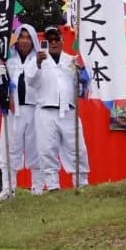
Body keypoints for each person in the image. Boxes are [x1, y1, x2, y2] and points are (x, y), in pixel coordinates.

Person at [32, 25, 90, 192]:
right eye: (50, 40)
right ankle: (52, 184)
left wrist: (82, 71)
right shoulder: (38, 60)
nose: (54, 43)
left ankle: (81, 181)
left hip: (69, 110)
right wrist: (37, 64)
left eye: (57, 39)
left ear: (62, 40)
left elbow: (83, 86)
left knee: (77, 146)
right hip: (45, 109)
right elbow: (31, 82)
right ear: (45, 42)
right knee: (47, 148)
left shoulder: (72, 60)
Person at [0, 24, 43, 200]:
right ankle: (8, 189)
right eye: (21, 36)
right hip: (13, 111)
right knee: (9, 148)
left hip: (33, 109)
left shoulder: (39, 59)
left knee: (35, 147)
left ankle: (37, 187)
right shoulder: (8, 59)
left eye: (28, 37)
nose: (24, 40)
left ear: (33, 40)